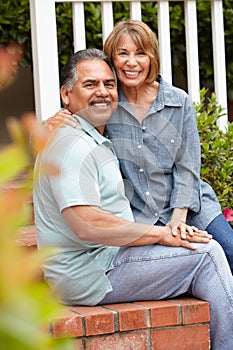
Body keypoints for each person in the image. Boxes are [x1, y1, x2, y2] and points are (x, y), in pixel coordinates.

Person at [33, 48, 233, 350]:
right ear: (66, 94)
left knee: (200, 247)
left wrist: (173, 229)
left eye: (109, 84)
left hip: (105, 259)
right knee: (207, 255)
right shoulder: (72, 144)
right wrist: (162, 234)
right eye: (90, 85)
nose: (102, 92)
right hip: (91, 273)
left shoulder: (90, 133)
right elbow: (88, 224)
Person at [48, 20, 233, 275]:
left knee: (229, 250)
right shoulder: (107, 103)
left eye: (140, 53)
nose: (131, 62)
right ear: (112, 59)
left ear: (151, 58)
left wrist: (177, 221)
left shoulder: (178, 102)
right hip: (140, 214)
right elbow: (72, 120)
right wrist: (50, 125)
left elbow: (188, 168)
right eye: (122, 53)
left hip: (189, 209)